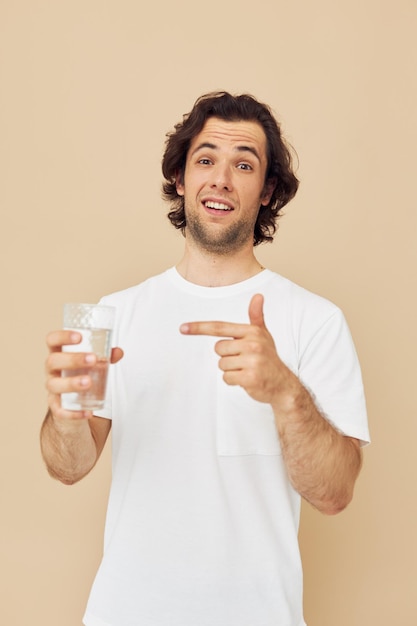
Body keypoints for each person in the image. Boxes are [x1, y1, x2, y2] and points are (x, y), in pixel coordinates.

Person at [41, 91, 370, 626]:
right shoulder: (106, 314)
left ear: (266, 192)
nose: (221, 178)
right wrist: (64, 414)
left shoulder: (317, 319)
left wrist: (285, 393)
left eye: (244, 164)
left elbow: (334, 495)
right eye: (205, 159)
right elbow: (66, 468)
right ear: (181, 179)